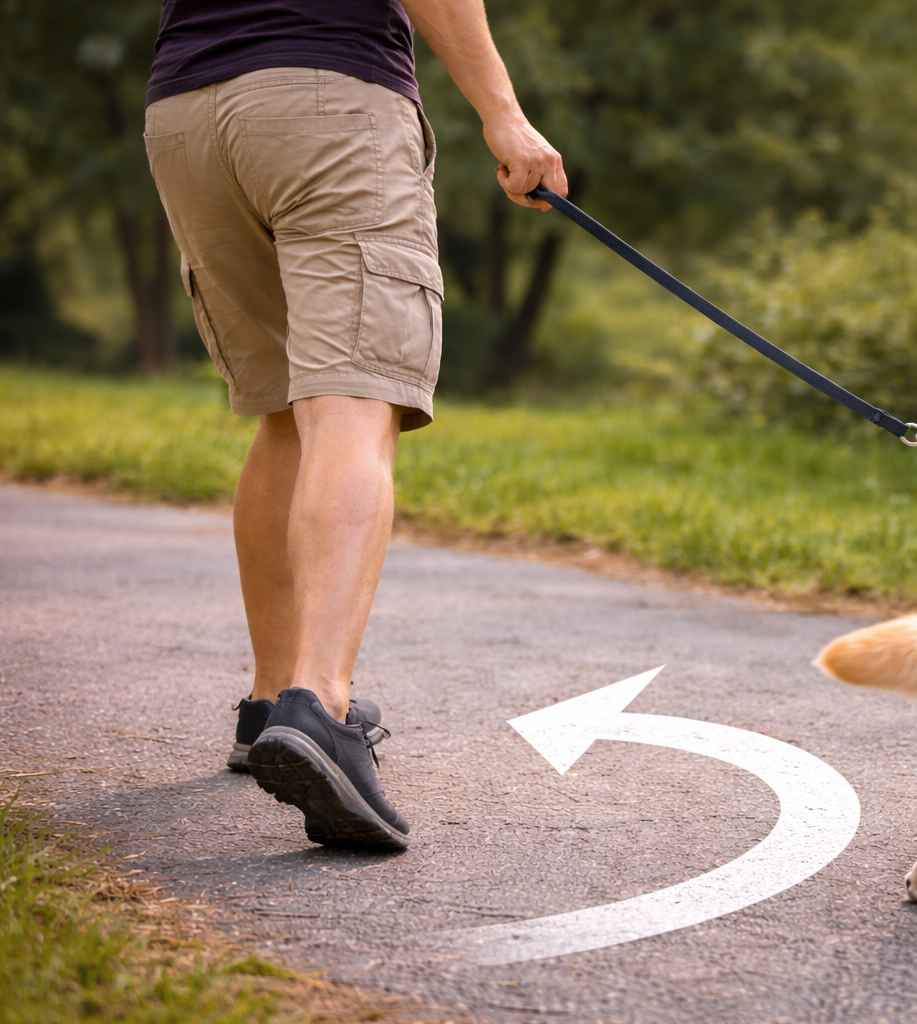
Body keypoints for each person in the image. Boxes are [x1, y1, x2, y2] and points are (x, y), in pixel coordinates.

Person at [143, 0, 565, 850]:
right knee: (352, 401)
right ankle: (322, 704)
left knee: (288, 414)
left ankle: (271, 702)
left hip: (185, 114)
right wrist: (506, 118)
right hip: (327, 101)